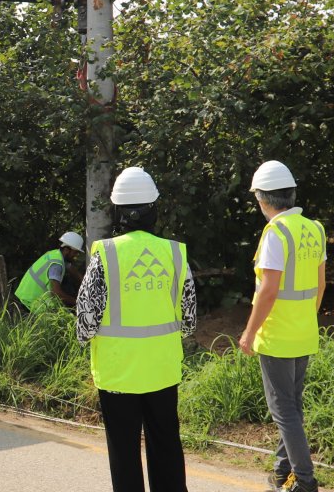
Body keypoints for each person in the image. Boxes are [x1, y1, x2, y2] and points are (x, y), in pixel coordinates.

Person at [76, 167, 195, 492]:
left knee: (124, 452)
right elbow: (189, 320)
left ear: (117, 212)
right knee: (166, 445)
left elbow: (85, 322)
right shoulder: (174, 253)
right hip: (161, 370)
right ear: (154, 210)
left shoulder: (106, 255)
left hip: (118, 375)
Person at [237, 161, 325, 492]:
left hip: (277, 335)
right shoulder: (314, 228)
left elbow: (268, 290)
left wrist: (250, 331)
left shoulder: (276, 232)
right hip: (304, 332)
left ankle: (305, 481)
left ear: (262, 199)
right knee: (292, 406)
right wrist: (305, 318)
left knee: (283, 410)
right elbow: (320, 285)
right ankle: (281, 471)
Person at [14, 231, 83, 312]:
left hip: (23, 296)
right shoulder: (56, 265)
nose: (76, 256)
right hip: (30, 303)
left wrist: (85, 281)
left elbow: (71, 268)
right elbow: (57, 293)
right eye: (75, 252)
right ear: (67, 250)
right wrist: (78, 303)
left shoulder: (55, 254)